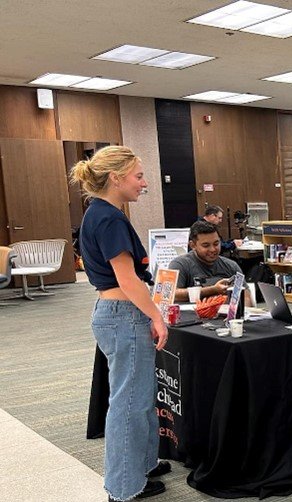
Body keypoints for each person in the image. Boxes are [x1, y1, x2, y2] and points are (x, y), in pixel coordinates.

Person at [71, 146, 170, 501]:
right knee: (130, 403)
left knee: (140, 397)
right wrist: (156, 315)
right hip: (123, 314)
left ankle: (143, 464)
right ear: (116, 178)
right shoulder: (109, 218)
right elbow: (127, 280)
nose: (144, 183)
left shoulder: (99, 213)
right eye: (139, 176)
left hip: (115, 314)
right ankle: (123, 487)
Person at [168, 220, 243, 302]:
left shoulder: (231, 265)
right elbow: (172, 294)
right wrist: (212, 290)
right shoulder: (180, 264)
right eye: (206, 245)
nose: (213, 249)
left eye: (216, 244)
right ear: (193, 245)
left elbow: (246, 295)